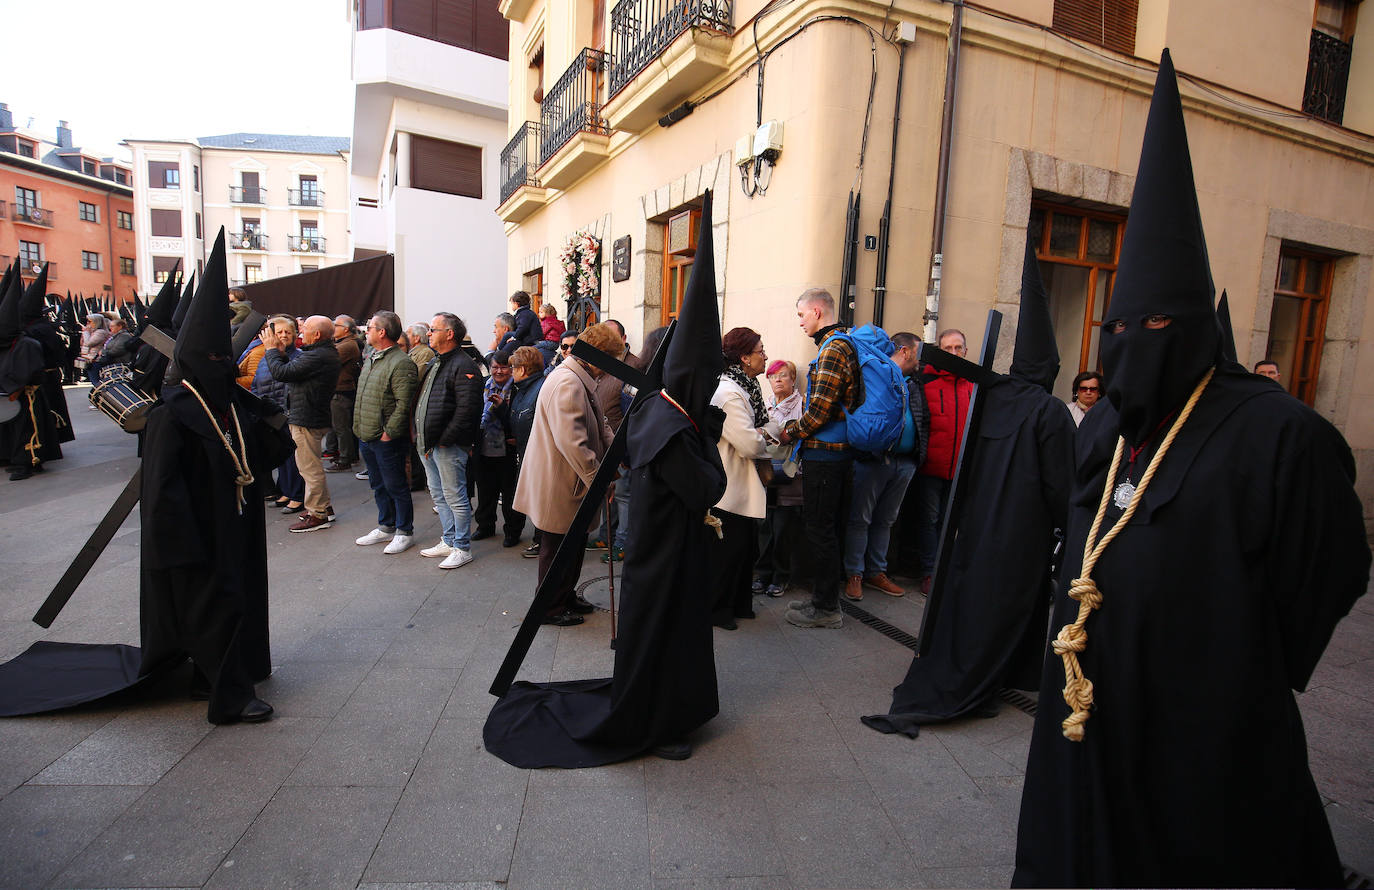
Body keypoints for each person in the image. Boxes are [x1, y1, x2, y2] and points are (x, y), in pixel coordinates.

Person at [1013, 51, 1370, 888]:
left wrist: (1240, 657)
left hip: (1206, 709)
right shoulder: (1105, 428)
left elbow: (1330, 569)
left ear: (1202, 330)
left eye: (1164, 322)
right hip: (1087, 698)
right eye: (1126, 325)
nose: (1141, 342)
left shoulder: (1278, 433)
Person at [484, 189, 727, 767]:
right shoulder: (668, 422)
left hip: (670, 551)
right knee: (654, 630)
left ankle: (676, 703)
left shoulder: (668, 411)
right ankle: (655, 712)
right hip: (660, 556)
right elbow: (707, 487)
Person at [864, 235, 1073, 736]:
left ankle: (994, 674)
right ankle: (977, 684)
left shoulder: (993, 397)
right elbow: (1062, 483)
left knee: (976, 601)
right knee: (1006, 607)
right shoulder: (1048, 409)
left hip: (976, 523)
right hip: (1022, 530)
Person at [511, 322, 619, 626]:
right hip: (561, 482)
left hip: (569, 480)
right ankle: (548, 608)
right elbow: (573, 442)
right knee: (557, 550)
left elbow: (600, 424)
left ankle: (564, 595)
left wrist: (617, 452)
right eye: (609, 362)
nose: (609, 372)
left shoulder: (577, 377)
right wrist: (599, 478)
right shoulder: (569, 382)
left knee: (570, 548)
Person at [779, 287, 861, 629]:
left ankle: (826, 608)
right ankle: (823, 600)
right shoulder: (841, 344)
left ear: (816, 311)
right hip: (834, 455)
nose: (799, 323)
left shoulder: (833, 349)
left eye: (801, 315)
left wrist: (788, 431)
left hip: (826, 456)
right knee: (825, 528)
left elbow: (819, 413)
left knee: (820, 528)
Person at [842, 331, 930, 601]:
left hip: (904, 463)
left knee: (886, 520)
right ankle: (854, 573)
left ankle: (876, 572)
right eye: (917, 353)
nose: (920, 361)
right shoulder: (875, 377)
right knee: (861, 518)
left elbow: (922, 420)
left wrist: (916, 456)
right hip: (874, 460)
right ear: (904, 351)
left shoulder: (914, 384)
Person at [708, 327, 772, 629]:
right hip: (730, 487)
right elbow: (749, 443)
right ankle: (720, 610)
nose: (765, 356)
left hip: (740, 484)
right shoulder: (729, 393)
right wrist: (764, 436)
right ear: (745, 358)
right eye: (760, 351)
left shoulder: (745, 387)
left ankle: (739, 605)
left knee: (744, 552)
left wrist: (761, 434)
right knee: (728, 555)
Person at [415, 311, 483, 569]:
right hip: (431, 443)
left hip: (447, 445)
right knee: (439, 495)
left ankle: (462, 547)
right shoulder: (438, 361)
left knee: (455, 496)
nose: (429, 333)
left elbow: (467, 410)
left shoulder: (463, 365)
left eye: (433, 329)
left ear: (449, 334)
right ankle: (449, 539)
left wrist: (445, 439)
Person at [264, 315, 341, 533]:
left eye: (304, 328)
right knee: (310, 466)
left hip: (307, 417)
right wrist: (279, 353)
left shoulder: (319, 355)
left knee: (310, 469)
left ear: (316, 334)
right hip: (308, 414)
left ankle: (318, 513)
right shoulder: (320, 353)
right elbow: (294, 370)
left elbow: (282, 373)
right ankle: (323, 507)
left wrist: (270, 350)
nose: (300, 331)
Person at [353, 310, 420, 555]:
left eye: (370, 327)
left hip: (385, 438)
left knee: (396, 485)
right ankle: (386, 525)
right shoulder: (372, 356)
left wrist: (388, 433)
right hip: (366, 433)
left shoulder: (401, 362)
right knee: (378, 484)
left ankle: (404, 531)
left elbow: (404, 403)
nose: (366, 331)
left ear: (382, 332)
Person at [912, 328, 973, 594]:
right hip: (931, 467)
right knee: (929, 520)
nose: (954, 353)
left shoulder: (973, 385)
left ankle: (948, 571)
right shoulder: (925, 382)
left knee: (954, 522)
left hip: (961, 468)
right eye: (948, 349)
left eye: (958, 348)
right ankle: (930, 572)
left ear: (965, 351)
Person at [754, 359, 804, 597]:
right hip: (766, 472)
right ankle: (763, 574)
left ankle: (780, 576)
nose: (778, 380)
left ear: (793, 379)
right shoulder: (765, 405)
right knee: (765, 525)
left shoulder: (802, 405)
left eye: (783, 375)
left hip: (790, 474)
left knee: (784, 527)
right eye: (773, 376)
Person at [471, 351, 524, 546]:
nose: (499, 371)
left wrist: (502, 407)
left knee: (509, 494)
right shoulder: (483, 385)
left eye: (504, 367)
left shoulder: (517, 390)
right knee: (485, 491)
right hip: (484, 445)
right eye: (495, 367)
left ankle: (512, 532)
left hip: (508, 449)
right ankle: (485, 526)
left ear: (511, 369)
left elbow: (517, 421)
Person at [508, 345, 546, 559]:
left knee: (540, 501)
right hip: (526, 451)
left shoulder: (538, 389)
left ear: (522, 369)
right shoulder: (524, 389)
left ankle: (542, 542)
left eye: (513, 367)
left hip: (537, 456)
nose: (511, 371)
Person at [325, 315, 363, 471]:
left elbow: (328, 360)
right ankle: (348, 455)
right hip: (342, 390)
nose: (333, 328)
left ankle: (345, 459)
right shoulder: (346, 343)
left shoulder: (347, 345)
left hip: (341, 391)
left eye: (336, 325)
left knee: (342, 427)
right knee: (341, 426)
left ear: (346, 329)